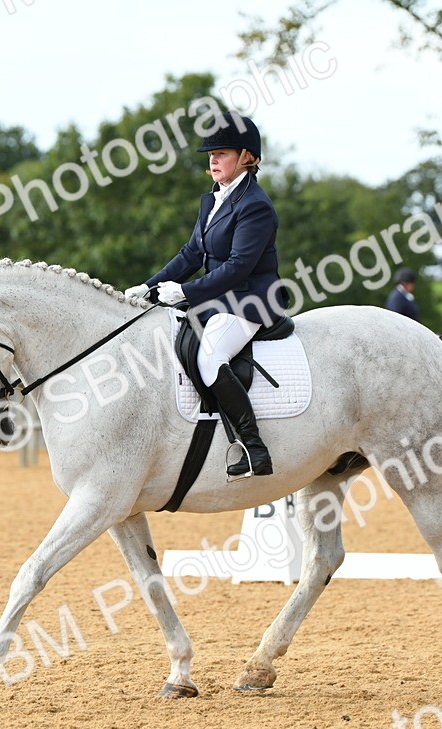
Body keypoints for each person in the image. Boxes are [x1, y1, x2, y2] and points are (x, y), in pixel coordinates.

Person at [124, 111, 285, 479]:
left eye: (222, 153)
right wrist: (148, 286)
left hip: (250, 300)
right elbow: (191, 254)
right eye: (210, 155)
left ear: (247, 157)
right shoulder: (213, 199)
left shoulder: (255, 205)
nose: (212, 160)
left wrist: (186, 291)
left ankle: (253, 447)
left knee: (211, 357)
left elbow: (238, 267)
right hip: (218, 297)